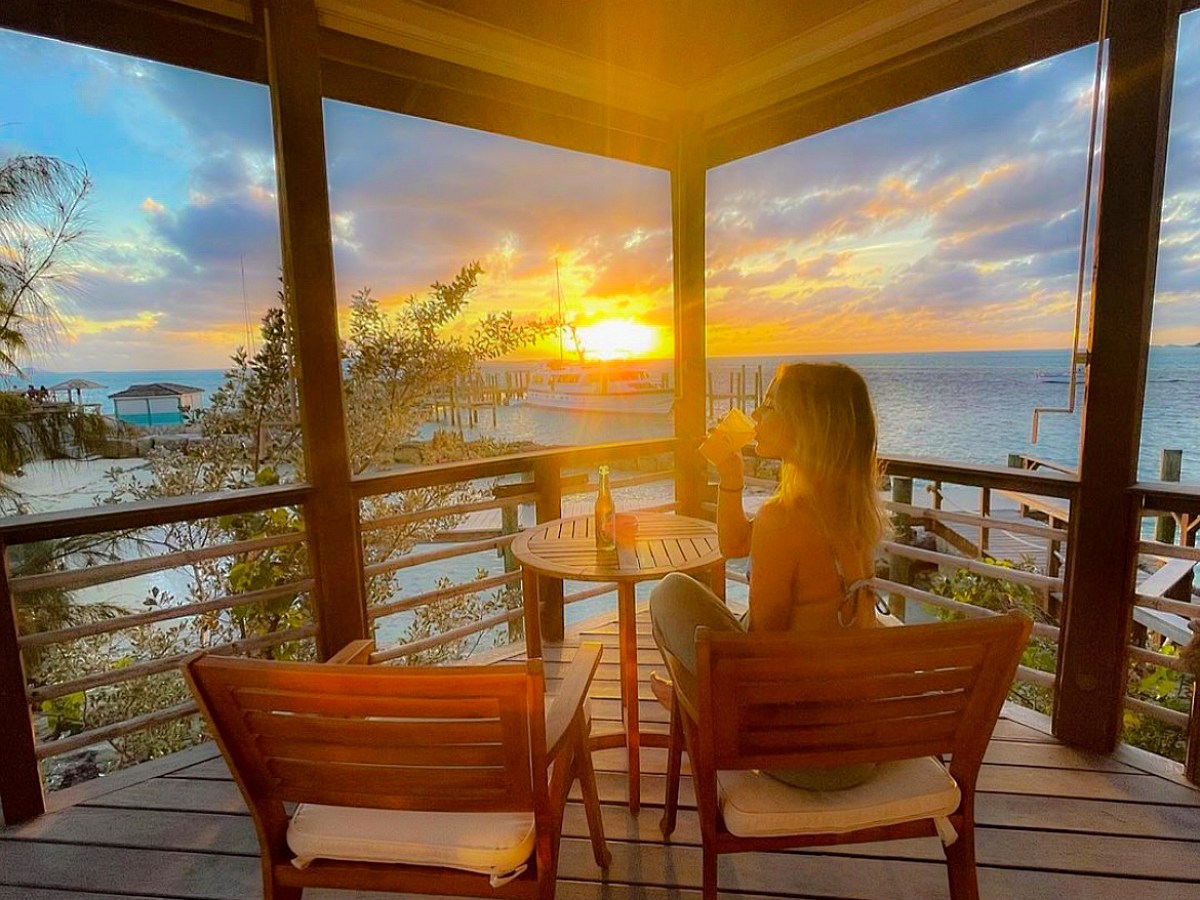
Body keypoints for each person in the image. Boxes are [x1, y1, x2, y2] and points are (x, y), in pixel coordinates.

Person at [649, 361, 888, 790]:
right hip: (861, 746)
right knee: (738, 620)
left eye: (770, 405)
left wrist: (701, 686)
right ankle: (689, 697)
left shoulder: (785, 517)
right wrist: (731, 476)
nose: (757, 416)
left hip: (800, 754)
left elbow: (759, 654)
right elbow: (736, 543)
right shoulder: (852, 511)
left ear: (805, 425)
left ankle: (691, 704)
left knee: (670, 592)